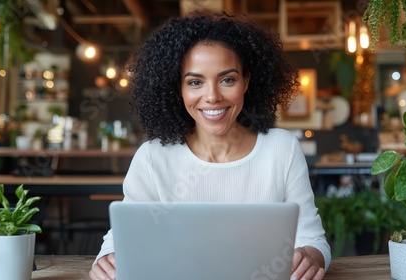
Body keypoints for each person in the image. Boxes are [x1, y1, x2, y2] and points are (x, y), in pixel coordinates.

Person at [89, 11, 331, 280]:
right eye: (195, 82)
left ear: (246, 81)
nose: (212, 97)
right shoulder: (153, 157)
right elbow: (123, 237)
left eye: (227, 79)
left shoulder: (281, 149)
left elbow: (313, 240)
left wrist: (309, 259)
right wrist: (107, 259)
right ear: (178, 89)